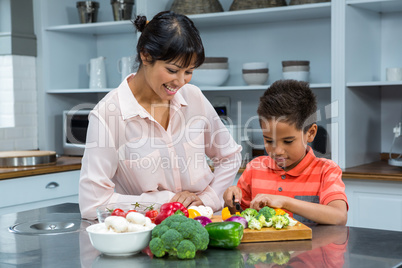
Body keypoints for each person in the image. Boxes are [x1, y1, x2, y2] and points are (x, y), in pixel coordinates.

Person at [79, 11, 242, 220]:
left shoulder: (193, 98)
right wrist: (164, 202)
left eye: (189, 71)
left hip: (205, 224)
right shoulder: (108, 115)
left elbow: (229, 156)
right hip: (147, 234)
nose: (181, 82)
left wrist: (209, 198)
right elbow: (93, 204)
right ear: (145, 55)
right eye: (172, 70)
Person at [223, 80, 348, 225]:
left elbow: (339, 216)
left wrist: (285, 202)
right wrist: (231, 201)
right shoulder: (254, 169)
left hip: (311, 247)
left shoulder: (326, 170)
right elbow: (239, 216)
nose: (277, 151)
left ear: (311, 133)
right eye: (269, 141)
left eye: (288, 141)